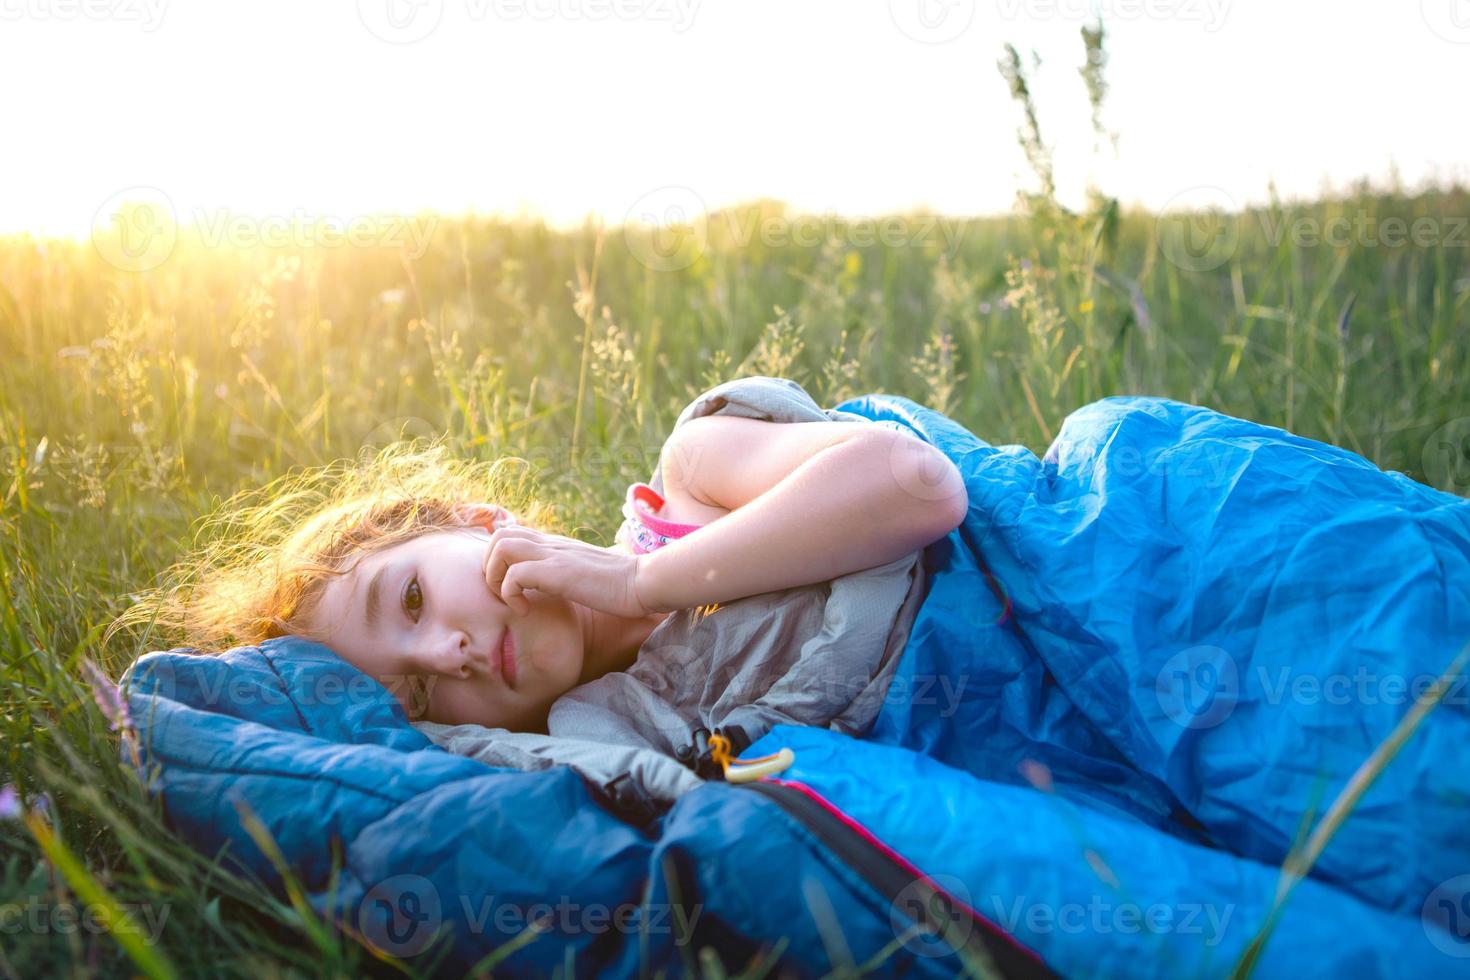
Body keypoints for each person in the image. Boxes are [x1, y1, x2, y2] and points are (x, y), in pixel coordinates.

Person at [124, 377, 968, 739]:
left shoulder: (693, 484)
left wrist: (643, 583)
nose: (443, 655)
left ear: (477, 519)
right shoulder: (601, 739)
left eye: (412, 600)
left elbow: (914, 483)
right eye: (419, 694)